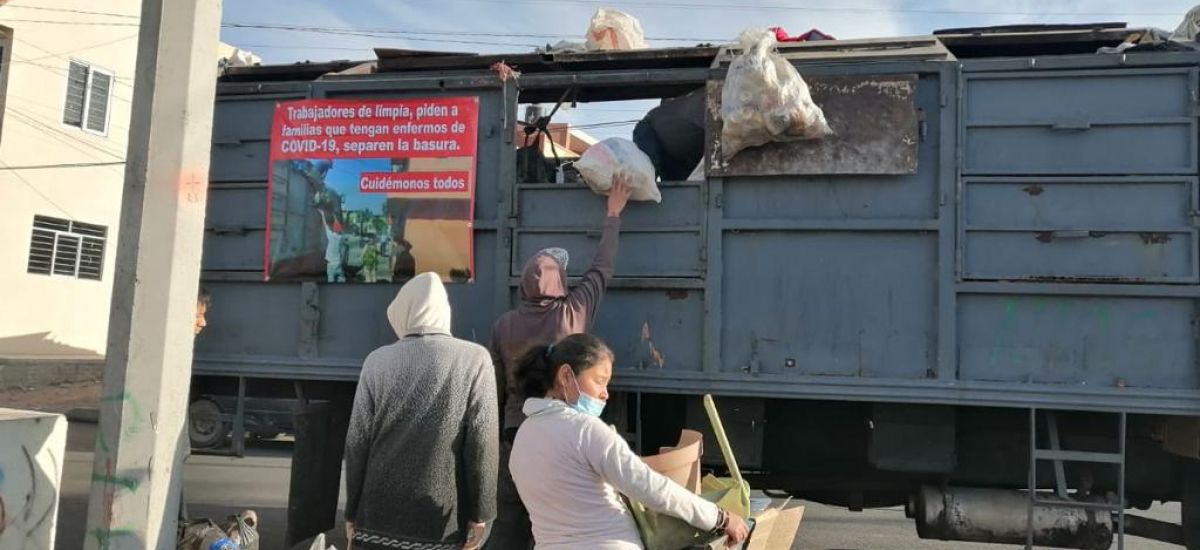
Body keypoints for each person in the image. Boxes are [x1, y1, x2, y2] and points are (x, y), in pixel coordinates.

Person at [488, 178, 633, 548]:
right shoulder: (573, 311)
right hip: (559, 430)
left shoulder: (504, 324)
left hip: (514, 432)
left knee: (510, 516)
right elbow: (602, 268)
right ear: (560, 284)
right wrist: (613, 215)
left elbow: (496, 384)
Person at [510, 334, 749, 549]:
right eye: (600, 381)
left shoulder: (523, 437)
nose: (606, 393)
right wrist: (720, 518)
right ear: (565, 376)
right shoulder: (586, 430)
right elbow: (651, 487)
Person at [343, 273, 499, 550]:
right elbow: (482, 443)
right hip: (440, 519)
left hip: (376, 515)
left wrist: (352, 510)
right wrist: (481, 512)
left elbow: (357, 444)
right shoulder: (474, 359)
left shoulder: (376, 361)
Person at [318, 210, 346, 283]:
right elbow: (341, 231)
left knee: (331, 282)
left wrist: (323, 214)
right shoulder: (341, 238)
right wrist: (335, 218)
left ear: (334, 229)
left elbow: (325, 225)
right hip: (339, 265)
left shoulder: (331, 235)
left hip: (331, 265)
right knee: (342, 280)